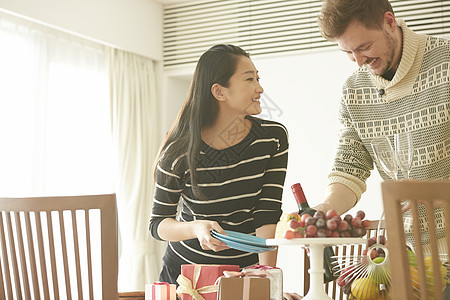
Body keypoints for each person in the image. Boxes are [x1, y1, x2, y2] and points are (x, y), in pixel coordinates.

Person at [313, 0, 449, 296]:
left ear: (389, 21)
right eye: (347, 53)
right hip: (403, 257)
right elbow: (350, 166)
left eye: (363, 47)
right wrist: (325, 210)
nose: (358, 60)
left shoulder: (446, 62)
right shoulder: (355, 90)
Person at [149, 44, 302, 300]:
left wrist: (269, 281)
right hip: (187, 279)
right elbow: (158, 224)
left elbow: (266, 214)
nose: (260, 88)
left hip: (242, 276)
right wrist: (196, 228)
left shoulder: (272, 139)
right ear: (219, 92)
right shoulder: (179, 153)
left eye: (258, 78)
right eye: (249, 79)